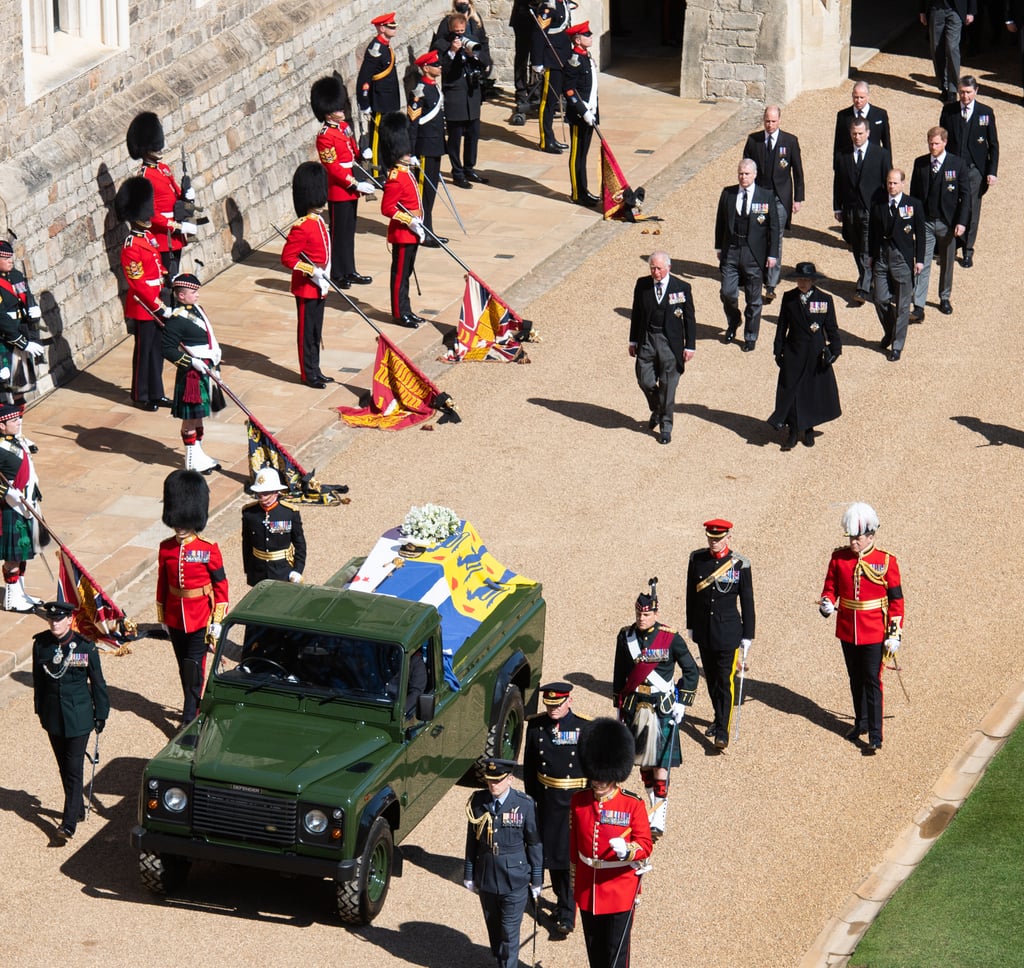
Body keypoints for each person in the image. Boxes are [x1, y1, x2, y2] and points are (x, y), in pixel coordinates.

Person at [612, 579, 698, 837]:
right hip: (635, 706)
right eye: (639, 613)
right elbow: (620, 673)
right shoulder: (625, 636)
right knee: (644, 763)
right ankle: (653, 803)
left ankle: (659, 812)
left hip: (661, 708)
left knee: (661, 763)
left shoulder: (670, 638)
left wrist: (683, 701)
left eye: (646, 614)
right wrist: (618, 704)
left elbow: (691, 671)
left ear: (656, 613)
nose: (641, 617)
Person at [819, 502, 904, 755]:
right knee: (855, 679)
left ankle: (876, 735)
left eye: (857, 538)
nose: (853, 542)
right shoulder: (839, 558)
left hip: (874, 630)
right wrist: (826, 602)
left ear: (870, 536)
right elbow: (830, 587)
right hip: (847, 628)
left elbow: (896, 601)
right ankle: (861, 723)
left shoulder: (886, 561)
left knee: (872, 680)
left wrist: (894, 634)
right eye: (851, 537)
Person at [570, 717, 653, 968]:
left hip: (619, 889)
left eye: (602, 777)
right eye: (595, 776)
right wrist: (575, 885)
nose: (597, 782)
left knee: (616, 957)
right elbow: (574, 848)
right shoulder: (579, 801)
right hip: (588, 888)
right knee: (595, 954)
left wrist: (627, 851)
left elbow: (645, 845)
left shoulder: (632, 804)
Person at [32, 599, 109, 841]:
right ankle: (76, 810)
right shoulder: (42, 645)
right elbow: (39, 682)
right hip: (53, 716)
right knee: (64, 767)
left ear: (69, 620)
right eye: (51, 619)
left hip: (79, 717)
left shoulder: (84, 647)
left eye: (59, 619)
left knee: (74, 769)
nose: (54, 622)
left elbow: (98, 683)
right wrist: (40, 711)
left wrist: (101, 714)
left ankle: (67, 825)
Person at [156, 469, 229, 725]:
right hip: (176, 617)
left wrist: (217, 621)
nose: (179, 525)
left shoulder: (208, 549)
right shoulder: (166, 548)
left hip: (200, 618)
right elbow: (162, 584)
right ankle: (196, 704)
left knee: (193, 667)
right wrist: (162, 615)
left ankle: (189, 718)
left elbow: (221, 587)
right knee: (183, 668)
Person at [523, 681, 589, 936]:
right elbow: (530, 768)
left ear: (569, 701)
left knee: (567, 859)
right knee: (551, 857)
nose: (553, 709)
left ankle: (566, 913)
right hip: (547, 800)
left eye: (558, 704)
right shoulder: (536, 725)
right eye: (549, 705)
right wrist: (532, 801)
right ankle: (561, 903)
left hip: (573, 800)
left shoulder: (584, 727)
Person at [463, 757, 543, 968]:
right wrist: (469, 874)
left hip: (514, 878)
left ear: (509, 779)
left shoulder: (524, 804)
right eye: (490, 780)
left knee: (509, 932)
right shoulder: (478, 802)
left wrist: (537, 879)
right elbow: (472, 841)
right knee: (495, 930)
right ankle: (502, 962)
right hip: (487, 875)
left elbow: (534, 843)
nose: (493, 785)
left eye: (498, 780)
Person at [685, 520, 756, 750]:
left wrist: (748, 634)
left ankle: (723, 731)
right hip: (705, 630)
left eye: (718, 539)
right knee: (713, 680)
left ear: (728, 538)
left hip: (728, 632)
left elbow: (747, 601)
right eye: (711, 538)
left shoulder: (740, 565)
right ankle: (718, 717)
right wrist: (691, 624)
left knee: (725, 681)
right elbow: (690, 596)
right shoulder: (697, 559)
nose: (714, 543)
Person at [768, 262, 842, 451]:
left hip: (815, 354)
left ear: (813, 281)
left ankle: (808, 428)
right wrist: (778, 349)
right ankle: (793, 431)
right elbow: (782, 326)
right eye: (800, 279)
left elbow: (831, 327)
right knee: (791, 392)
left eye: (806, 280)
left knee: (811, 392)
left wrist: (835, 350)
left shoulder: (824, 299)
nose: (802, 283)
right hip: (794, 351)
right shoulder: (789, 298)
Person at [311, 75, 375, 291]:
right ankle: (338, 273)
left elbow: (351, 148)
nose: (341, 111)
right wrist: (354, 184)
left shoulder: (344, 126)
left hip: (351, 183)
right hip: (339, 188)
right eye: (337, 109)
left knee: (349, 230)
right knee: (339, 233)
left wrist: (361, 154)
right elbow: (333, 167)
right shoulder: (324, 136)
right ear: (328, 112)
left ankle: (350, 269)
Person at [114, 175, 171, 410]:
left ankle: (156, 392)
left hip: (157, 300)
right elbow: (137, 283)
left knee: (157, 351)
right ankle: (141, 394)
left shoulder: (146, 237)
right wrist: (158, 304)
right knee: (144, 352)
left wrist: (169, 276)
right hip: (144, 306)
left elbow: (157, 265)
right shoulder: (131, 246)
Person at [628, 251, 696, 446]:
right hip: (648, 338)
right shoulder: (642, 285)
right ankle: (658, 408)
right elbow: (637, 314)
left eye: (658, 268)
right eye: (652, 268)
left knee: (668, 386)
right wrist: (633, 341)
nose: (655, 272)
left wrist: (690, 346)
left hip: (670, 343)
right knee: (644, 379)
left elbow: (689, 319)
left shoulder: (681, 287)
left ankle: (666, 426)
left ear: (668, 268)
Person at [713, 158, 780, 352]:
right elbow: (720, 221)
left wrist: (772, 254)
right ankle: (734, 321)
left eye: (747, 174)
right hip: (731, 250)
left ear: (755, 175)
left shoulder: (765, 195)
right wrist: (719, 247)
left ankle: (750, 336)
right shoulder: (728, 193)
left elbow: (773, 228)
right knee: (727, 292)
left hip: (754, 254)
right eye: (740, 174)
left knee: (753, 298)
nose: (743, 177)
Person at [160, 273, 222, 473]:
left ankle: (199, 454)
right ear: (181, 296)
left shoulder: (198, 309)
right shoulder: (176, 321)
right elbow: (166, 348)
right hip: (192, 373)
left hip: (206, 365)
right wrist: (191, 362)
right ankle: (191, 460)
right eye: (193, 292)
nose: (197, 295)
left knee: (199, 415)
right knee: (190, 417)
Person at [742, 105, 805, 302]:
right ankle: (756, 273)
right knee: (758, 234)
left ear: (779, 121)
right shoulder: (754, 140)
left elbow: (798, 171)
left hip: (780, 197)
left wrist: (798, 198)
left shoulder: (790, 141)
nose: (770, 125)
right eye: (767, 121)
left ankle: (771, 283)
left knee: (775, 236)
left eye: (773, 121)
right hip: (760, 196)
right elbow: (746, 167)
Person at [126, 112, 197, 282]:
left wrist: (187, 195)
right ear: (145, 149)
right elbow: (151, 213)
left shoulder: (163, 168)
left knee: (175, 276)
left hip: (175, 234)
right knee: (167, 279)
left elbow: (175, 195)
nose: (158, 148)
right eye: (153, 146)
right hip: (163, 237)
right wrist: (178, 227)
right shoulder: (145, 176)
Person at [909, 127, 970, 321]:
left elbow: (965, 196)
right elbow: (914, 195)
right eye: (930, 143)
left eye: (936, 143)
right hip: (926, 221)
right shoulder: (920, 163)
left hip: (948, 223)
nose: (932, 147)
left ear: (945, 142)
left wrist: (961, 222)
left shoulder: (958, 164)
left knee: (947, 262)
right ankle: (918, 304)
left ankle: (944, 297)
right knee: (922, 262)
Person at [281, 161, 332, 388]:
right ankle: (307, 373)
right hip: (307, 287)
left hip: (319, 286)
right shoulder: (302, 226)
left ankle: (316, 369)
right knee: (306, 333)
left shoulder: (319, 221)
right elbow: (288, 258)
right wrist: (312, 271)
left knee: (316, 332)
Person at [939, 76, 998, 269]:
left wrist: (991, 171)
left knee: (972, 209)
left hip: (975, 170)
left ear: (976, 91)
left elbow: (993, 145)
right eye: (961, 92)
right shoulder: (949, 111)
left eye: (968, 92)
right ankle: (951, 246)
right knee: (950, 205)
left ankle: (967, 250)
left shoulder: (985, 112)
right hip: (953, 169)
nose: (964, 96)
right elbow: (942, 140)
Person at [832, 117, 892, 304]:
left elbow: (886, 183)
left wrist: (886, 208)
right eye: (854, 134)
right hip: (850, 209)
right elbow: (838, 182)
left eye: (860, 134)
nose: (857, 137)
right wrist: (837, 206)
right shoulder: (842, 155)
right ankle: (868, 277)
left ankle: (863, 287)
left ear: (868, 133)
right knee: (857, 247)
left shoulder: (881, 154)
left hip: (870, 209)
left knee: (866, 248)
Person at [869, 170, 925, 363]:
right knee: (879, 298)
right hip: (882, 257)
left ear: (902, 184)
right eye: (889, 183)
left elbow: (921, 234)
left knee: (902, 306)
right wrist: (871, 255)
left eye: (894, 183)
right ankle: (891, 331)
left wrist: (919, 260)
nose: (891, 186)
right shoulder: (879, 204)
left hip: (902, 258)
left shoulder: (913, 205)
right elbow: (872, 233)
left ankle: (897, 345)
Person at [379, 112, 428, 329]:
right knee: (400, 275)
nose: (408, 154)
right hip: (403, 233)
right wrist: (409, 221)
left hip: (413, 231)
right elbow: (387, 208)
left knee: (406, 272)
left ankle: (407, 309)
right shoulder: (396, 177)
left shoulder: (406, 172)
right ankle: (399, 313)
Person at [435, 11, 491, 190]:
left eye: (462, 30)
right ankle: (457, 172)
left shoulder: (472, 39)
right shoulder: (442, 44)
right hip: (455, 95)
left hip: (472, 94)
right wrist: (452, 51)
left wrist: (474, 54)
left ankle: (469, 168)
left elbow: (485, 61)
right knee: (455, 137)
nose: (460, 34)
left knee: (473, 135)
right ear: (451, 30)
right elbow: (445, 69)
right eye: (456, 31)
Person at [0, 402, 44, 612]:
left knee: (23, 552)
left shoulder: (16, 439)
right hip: (11, 507)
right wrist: (6, 492)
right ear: (2, 426)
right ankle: (11, 600)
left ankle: (21, 594)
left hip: (27, 502)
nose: (19, 422)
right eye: (14, 420)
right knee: (13, 558)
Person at [407, 51, 449, 246]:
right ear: (426, 68)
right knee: (423, 191)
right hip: (424, 146)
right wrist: (412, 152)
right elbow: (413, 124)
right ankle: (424, 231)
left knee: (431, 191)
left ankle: (429, 228)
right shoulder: (419, 91)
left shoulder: (434, 88)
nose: (439, 67)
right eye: (435, 64)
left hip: (436, 145)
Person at [241, 466, 307, 586]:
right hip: (258, 570)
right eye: (259, 494)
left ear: (276, 492)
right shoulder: (249, 513)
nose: (262, 497)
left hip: (283, 570)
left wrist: (297, 570)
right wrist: (248, 570)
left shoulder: (289, 512)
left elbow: (299, 543)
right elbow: (247, 544)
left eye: (265, 493)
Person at [356, 12, 402, 171]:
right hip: (379, 101)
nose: (394, 29)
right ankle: (375, 172)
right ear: (382, 28)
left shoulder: (385, 46)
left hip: (389, 100)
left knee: (387, 136)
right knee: (376, 138)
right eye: (391, 26)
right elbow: (365, 78)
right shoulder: (376, 48)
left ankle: (386, 166)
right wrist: (364, 102)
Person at [0, 239, 45, 394]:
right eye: (5, 258)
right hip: (7, 337)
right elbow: (2, 318)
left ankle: (17, 419)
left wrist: (34, 311)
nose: (10, 261)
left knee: (22, 386)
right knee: (5, 389)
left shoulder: (16, 275)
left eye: (10, 257)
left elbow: (26, 296)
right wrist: (23, 343)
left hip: (22, 330)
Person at [563, 21, 599, 207]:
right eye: (587, 35)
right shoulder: (574, 60)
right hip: (579, 115)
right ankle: (577, 192)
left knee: (583, 154)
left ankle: (584, 190)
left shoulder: (586, 56)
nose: (590, 36)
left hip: (590, 112)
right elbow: (569, 90)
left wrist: (592, 111)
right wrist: (583, 111)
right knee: (577, 155)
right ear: (577, 40)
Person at [532, 0, 572, 154]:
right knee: (547, 102)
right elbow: (538, 35)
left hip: (562, 56)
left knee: (555, 100)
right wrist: (537, 61)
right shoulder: (547, 9)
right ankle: (545, 141)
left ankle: (552, 138)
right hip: (551, 58)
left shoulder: (563, 4)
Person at [921, 0, 976, 102]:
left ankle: (953, 89)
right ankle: (943, 87)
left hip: (955, 10)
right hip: (936, 9)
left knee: (952, 48)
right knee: (936, 50)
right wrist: (922, 11)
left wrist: (971, 11)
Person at [832, 81, 891, 163]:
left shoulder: (880, 114)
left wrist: (888, 167)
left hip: (874, 162)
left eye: (861, 97)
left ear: (868, 96)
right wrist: (837, 165)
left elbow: (886, 143)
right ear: (852, 96)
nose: (858, 101)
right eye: (856, 97)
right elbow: (838, 143)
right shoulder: (843, 116)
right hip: (850, 161)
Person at [510, 0, 542, 121]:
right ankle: (521, 93)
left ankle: (535, 91)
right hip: (523, 16)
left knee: (537, 57)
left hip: (540, 17)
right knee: (522, 58)